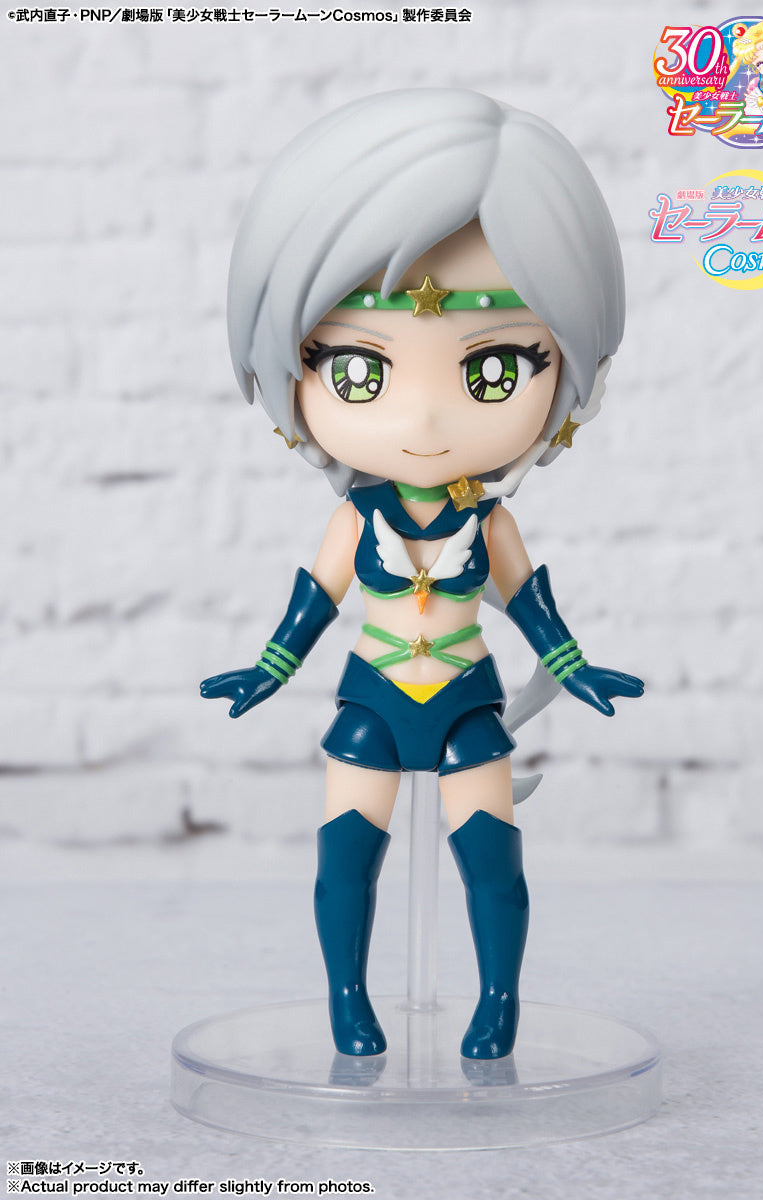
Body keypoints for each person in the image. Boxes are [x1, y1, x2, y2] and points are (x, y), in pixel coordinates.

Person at [201, 89, 643, 1061]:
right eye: (359, 372)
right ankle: (347, 999)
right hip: (370, 699)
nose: (424, 419)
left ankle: (496, 1002)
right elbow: (312, 604)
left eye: (493, 371)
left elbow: (530, 605)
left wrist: (573, 668)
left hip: (464, 703)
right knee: (344, 863)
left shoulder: (490, 520)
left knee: (491, 865)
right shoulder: (354, 518)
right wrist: (266, 671)